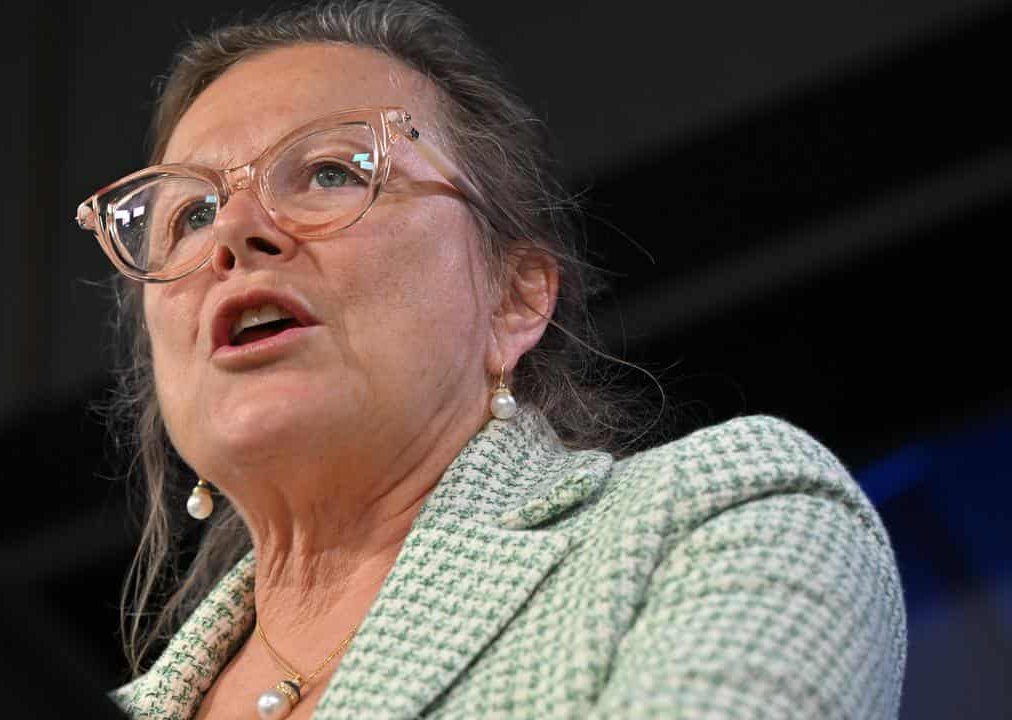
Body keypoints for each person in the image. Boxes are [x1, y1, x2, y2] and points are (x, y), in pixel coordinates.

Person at [73, 1, 907, 717]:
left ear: (514, 299)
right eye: (187, 217)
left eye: (330, 171)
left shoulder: (722, 518)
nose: (233, 236)